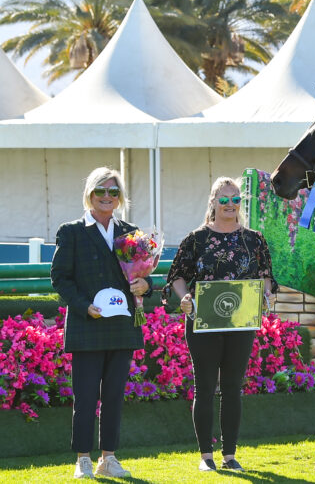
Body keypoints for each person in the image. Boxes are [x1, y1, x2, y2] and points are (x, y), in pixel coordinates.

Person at [166, 177, 277, 473]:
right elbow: (177, 276)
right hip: (202, 322)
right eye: (224, 199)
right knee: (204, 388)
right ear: (213, 202)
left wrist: (266, 294)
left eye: (235, 199)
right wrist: (185, 297)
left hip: (241, 323)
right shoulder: (196, 239)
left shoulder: (254, 239)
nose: (230, 204)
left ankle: (230, 455)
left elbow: (265, 274)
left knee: (232, 388)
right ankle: (206, 456)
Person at [50, 167, 152, 479]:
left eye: (113, 191)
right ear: (90, 194)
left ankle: (109, 458)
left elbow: (144, 274)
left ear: (120, 197)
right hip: (87, 324)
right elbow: (60, 279)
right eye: (101, 191)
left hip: (122, 324)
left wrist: (144, 285)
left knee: (113, 398)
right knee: (85, 398)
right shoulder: (71, 231)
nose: (107, 196)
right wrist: (85, 307)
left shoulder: (131, 232)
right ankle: (82, 459)